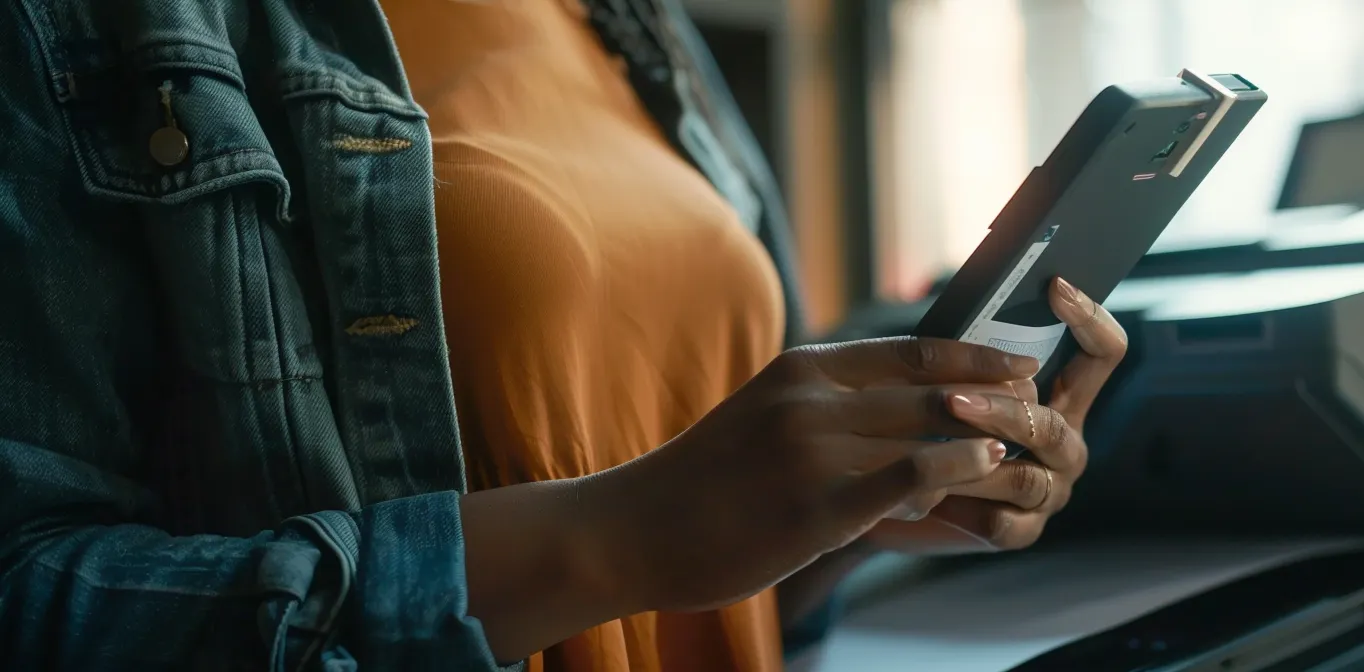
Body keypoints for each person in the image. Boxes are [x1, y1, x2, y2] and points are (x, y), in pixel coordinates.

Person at [0, 1, 1128, 671]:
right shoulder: (88, 28)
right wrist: (612, 536)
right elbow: (29, 595)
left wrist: (868, 511)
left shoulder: (635, 24)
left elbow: (699, 578)